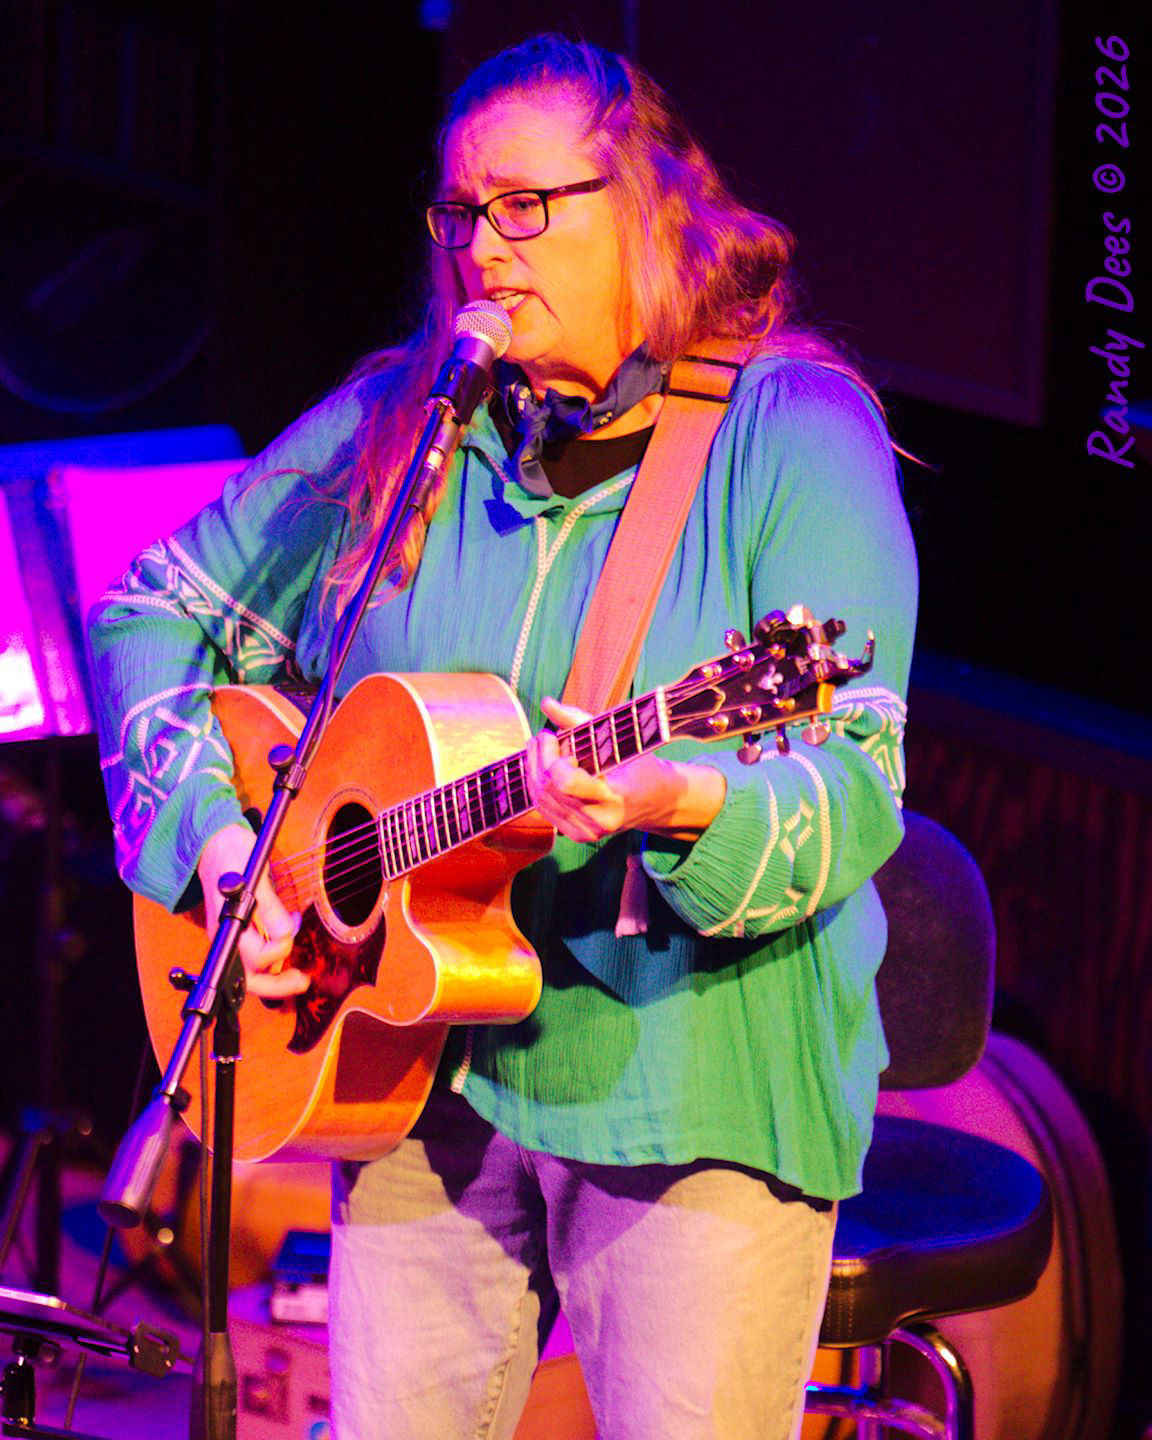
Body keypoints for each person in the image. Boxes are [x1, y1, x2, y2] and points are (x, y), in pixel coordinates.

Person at [89, 33, 917, 1440]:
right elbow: (149, 614)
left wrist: (677, 798)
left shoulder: (794, 437)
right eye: (464, 213)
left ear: (650, 205)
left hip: (689, 1093)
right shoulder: (408, 424)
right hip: (410, 1066)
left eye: (529, 206)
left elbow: (855, 780)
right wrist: (221, 840)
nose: (487, 248)